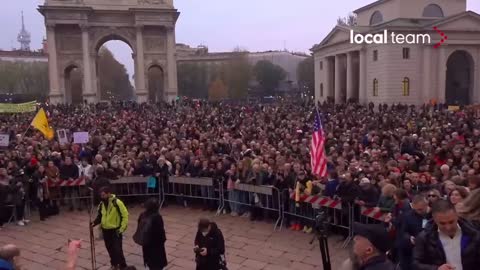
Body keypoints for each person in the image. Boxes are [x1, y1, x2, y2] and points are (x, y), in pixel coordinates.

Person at [413, 199, 480, 270]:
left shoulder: (473, 233)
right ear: (434, 219)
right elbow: (416, 264)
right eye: (442, 223)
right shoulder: (424, 238)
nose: (448, 227)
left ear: (457, 215)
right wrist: (437, 269)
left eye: (451, 222)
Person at [91, 186, 129, 270]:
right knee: (110, 249)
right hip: (105, 230)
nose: (102, 197)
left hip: (116, 230)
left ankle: (123, 266)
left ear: (109, 194)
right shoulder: (101, 204)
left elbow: (125, 215)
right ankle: (114, 264)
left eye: (103, 195)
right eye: (101, 195)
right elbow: (100, 216)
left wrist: (121, 229)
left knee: (118, 250)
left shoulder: (117, 202)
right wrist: (94, 223)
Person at [397, 195, 431, 270]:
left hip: (430, 251)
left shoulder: (434, 214)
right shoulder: (407, 216)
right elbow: (403, 232)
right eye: (415, 209)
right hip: (413, 251)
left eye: (420, 209)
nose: (418, 212)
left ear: (426, 204)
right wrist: (409, 238)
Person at [135, 198, 167, 270]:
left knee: (150, 262)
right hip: (156, 245)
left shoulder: (142, 215)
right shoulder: (157, 217)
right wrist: (163, 240)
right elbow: (160, 233)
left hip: (146, 243)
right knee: (157, 265)